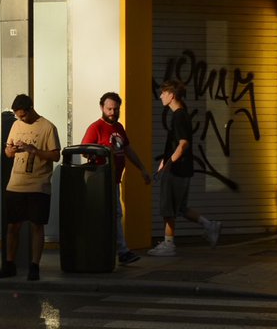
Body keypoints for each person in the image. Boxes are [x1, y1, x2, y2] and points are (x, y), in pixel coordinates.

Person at [148, 80, 221, 257]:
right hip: (181, 168)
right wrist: (164, 160)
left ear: (171, 95)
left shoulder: (179, 116)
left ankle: (169, 244)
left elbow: (183, 144)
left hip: (176, 170)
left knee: (169, 208)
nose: (160, 96)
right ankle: (209, 225)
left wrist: (168, 164)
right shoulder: (182, 114)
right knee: (180, 208)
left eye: (163, 93)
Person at [0, 93, 61, 282]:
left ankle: (34, 266)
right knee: (12, 226)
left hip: (38, 184)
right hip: (16, 183)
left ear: (31, 110)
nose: (20, 119)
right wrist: (11, 150)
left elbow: (56, 156)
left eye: (23, 116)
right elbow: (7, 152)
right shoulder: (16, 125)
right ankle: (9, 264)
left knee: (36, 225)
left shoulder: (48, 127)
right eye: (18, 116)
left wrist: (35, 150)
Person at [81, 92, 152, 265]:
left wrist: (142, 168)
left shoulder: (119, 127)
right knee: (109, 215)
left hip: (114, 180)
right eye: (109, 109)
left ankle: (118, 250)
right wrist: (103, 152)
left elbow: (128, 149)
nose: (112, 112)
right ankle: (119, 251)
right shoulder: (96, 128)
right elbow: (84, 150)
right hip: (100, 180)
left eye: (116, 109)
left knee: (115, 215)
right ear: (102, 108)